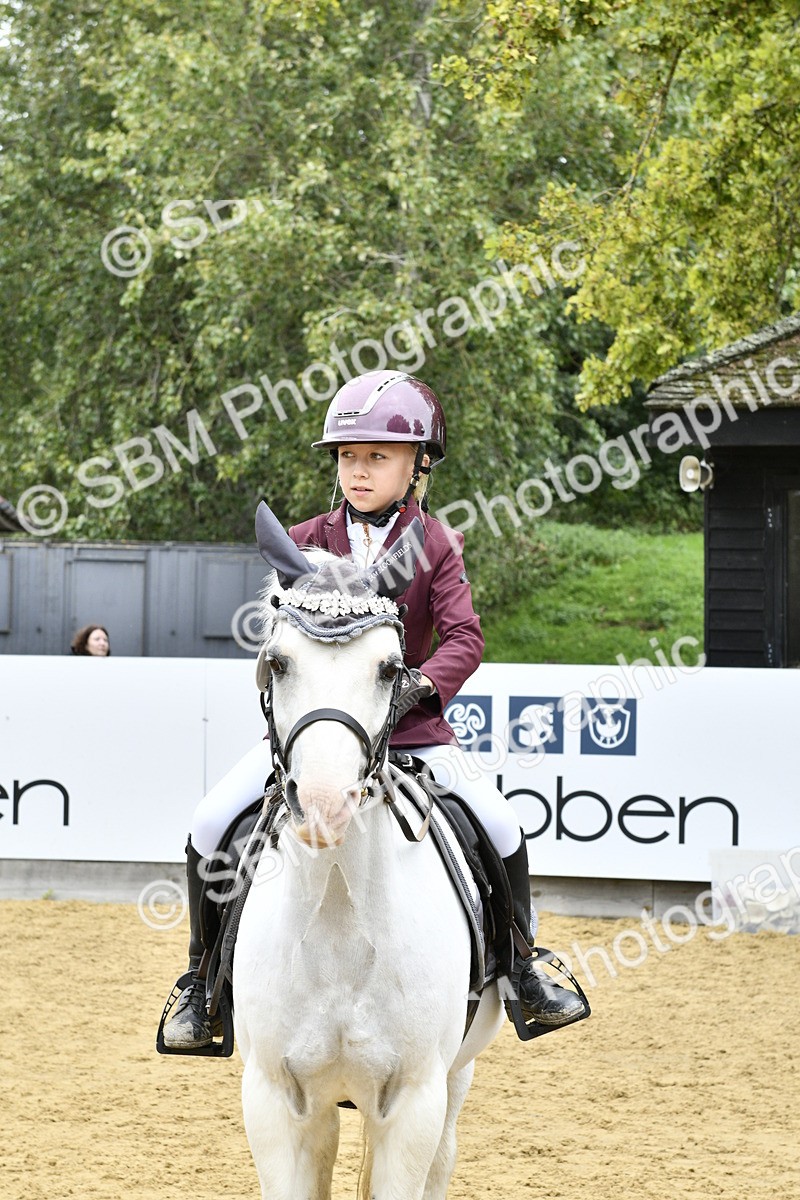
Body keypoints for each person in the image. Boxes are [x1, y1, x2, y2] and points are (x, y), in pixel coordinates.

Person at [163, 369, 584, 1048]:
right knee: (210, 821)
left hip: (412, 733)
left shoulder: (437, 543)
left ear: (417, 465)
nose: (358, 471)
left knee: (501, 825)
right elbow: (279, 637)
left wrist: (419, 684)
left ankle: (523, 970)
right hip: (317, 738)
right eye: (348, 456)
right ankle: (201, 984)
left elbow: (465, 637)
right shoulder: (303, 539)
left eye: (377, 457)